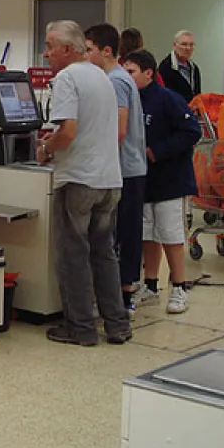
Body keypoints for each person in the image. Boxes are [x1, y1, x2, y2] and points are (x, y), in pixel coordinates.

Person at [37, 20, 130, 346]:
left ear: (67, 48)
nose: (46, 53)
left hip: (78, 179)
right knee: (104, 254)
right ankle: (117, 325)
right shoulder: (101, 76)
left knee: (73, 255)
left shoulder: (66, 78)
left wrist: (46, 149)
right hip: (108, 179)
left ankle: (80, 328)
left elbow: (69, 131)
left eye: (50, 47)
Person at [123, 50, 202, 314]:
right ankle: (151, 283)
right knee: (147, 234)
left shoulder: (169, 99)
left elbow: (192, 131)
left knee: (170, 234)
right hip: (142, 180)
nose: (126, 77)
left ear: (148, 73)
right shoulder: (129, 101)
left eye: (131, 72)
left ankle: (179, 287)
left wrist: (157, 151)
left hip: (170, 180)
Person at [85, 24, 148, 315]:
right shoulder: (118, 79)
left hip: (124, 169)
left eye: (89, 50)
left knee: (120, 234)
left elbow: (119, 130)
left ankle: (121, 297)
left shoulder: (116, 82)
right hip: (126, 167)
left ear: (106, 51)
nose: (86, 57)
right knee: (121, 233)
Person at [157, 30, 202, 103]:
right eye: (184, 44)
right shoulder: (165, 68)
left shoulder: (194, 68)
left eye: (191, 45)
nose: (188, 48)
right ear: (174, 45)